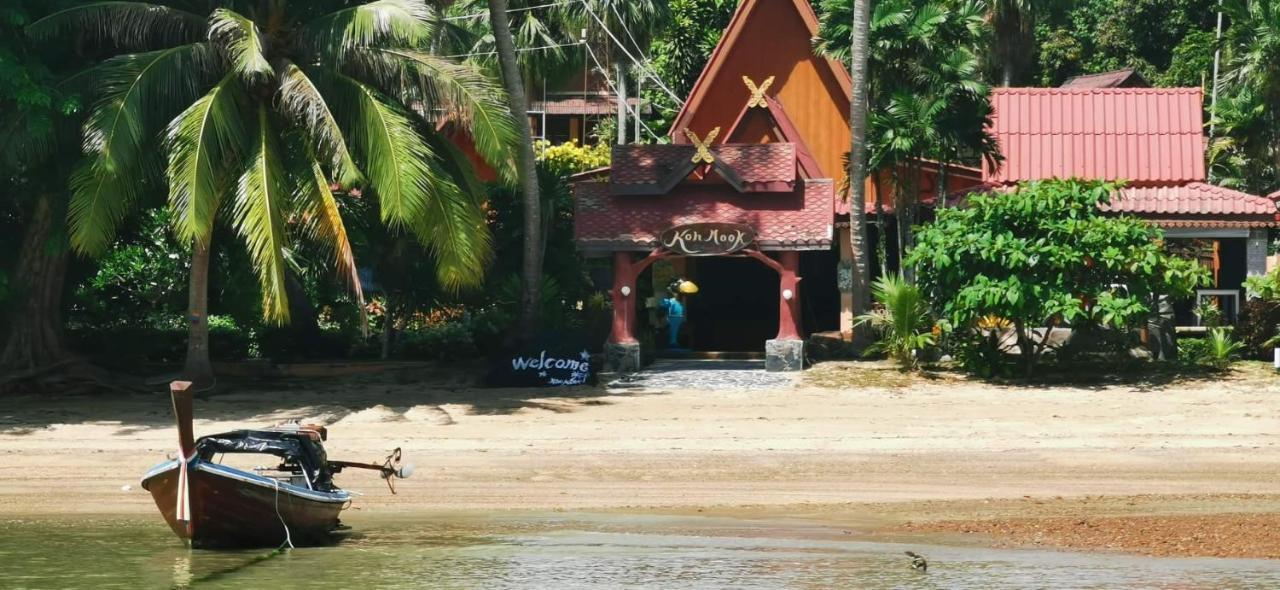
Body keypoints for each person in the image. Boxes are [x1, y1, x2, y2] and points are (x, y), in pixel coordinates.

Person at [658, 278, 697, 349]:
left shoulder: (680, 300)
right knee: (673, 330)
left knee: (677, 330)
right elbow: (662, 305)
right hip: (673, 317)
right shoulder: (672, 300)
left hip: (678, 317)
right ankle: (673, 343)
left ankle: (675, 343)